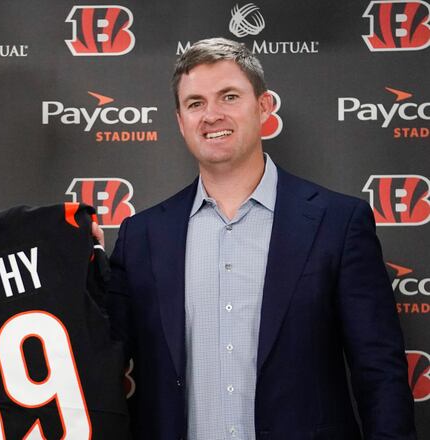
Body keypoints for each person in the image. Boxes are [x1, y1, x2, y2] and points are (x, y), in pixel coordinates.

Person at [108, 38, 416, 439]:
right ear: (180, 120)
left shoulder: (338, 223)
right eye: (195, 103)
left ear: (264, 107)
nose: (211, 115)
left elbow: (380, 372)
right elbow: (101, 359)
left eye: (229, 96)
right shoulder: (142, 237)